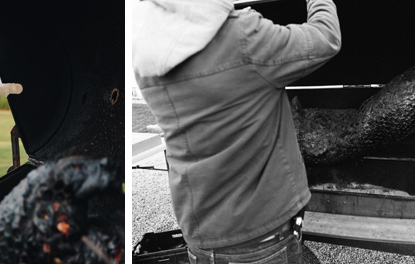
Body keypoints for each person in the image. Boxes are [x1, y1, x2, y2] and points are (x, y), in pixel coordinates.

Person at [132, 0, 341, 263]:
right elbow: (326, 37)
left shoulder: (147, 49)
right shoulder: (241, 36)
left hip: (201, 236)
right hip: (261, 235)